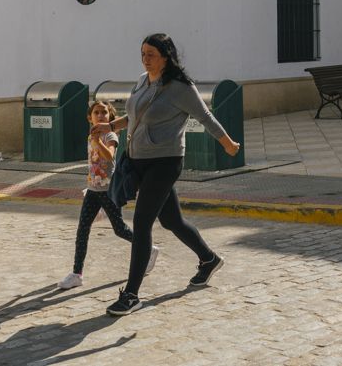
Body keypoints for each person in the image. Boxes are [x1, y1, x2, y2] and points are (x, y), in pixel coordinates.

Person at [95, 33, 240, 317]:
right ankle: (208, 259)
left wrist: (227, 143)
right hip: (137, 160)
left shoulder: (180, 87)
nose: (144, 58)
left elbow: (205, 117)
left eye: (151, 54)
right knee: (172, 219)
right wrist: (110, 125)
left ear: (166, 56)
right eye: (142, 53)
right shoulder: (142, 80)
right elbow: (135, 117)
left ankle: (132, 294)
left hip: (165, 162)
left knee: (142, 221)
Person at [58, 100, 157, 290]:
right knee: (82, 229)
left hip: (109, 191)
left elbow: (109, 156)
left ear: (110, 117)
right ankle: (77, 273)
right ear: (90, 117)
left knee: (119, 229)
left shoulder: (110, 135)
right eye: (96, 112)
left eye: (104, 113)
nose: (101, 115)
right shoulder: (91, 136)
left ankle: (148, 249)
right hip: (93, 191)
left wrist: (97, 141)